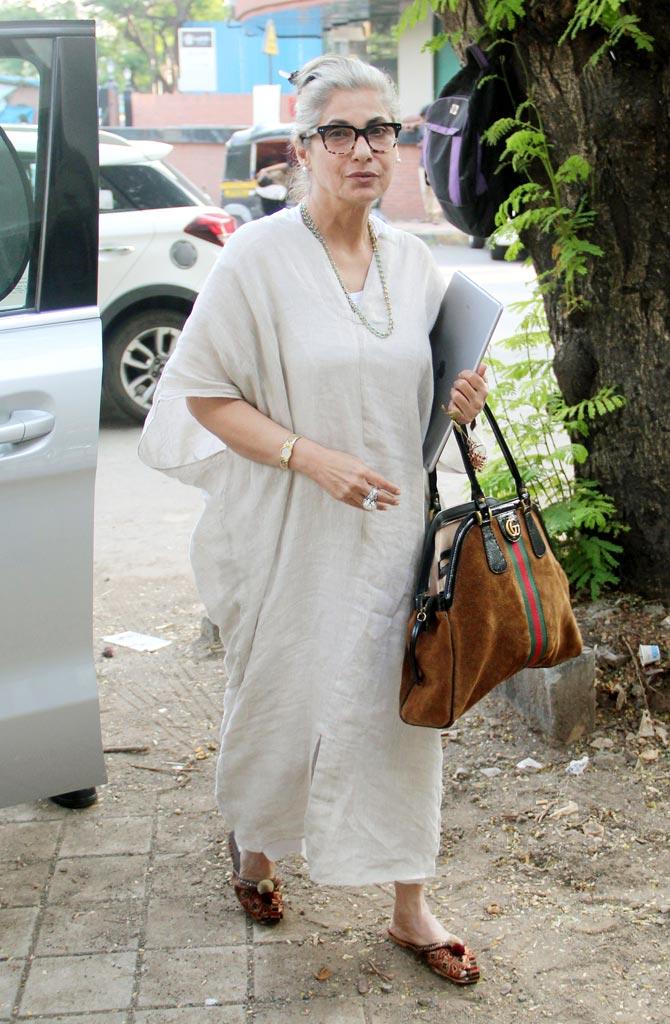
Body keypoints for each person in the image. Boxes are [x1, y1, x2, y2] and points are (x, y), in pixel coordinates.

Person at [138, 54, 488, 987]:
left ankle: (409, 904)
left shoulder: (414, 263)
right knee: (283, 691)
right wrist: (311, 458)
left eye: (381, 131)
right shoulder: (257, 259)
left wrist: (461, 398)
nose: (364, 150)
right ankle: (257, 847)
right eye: (341, 132)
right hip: (289, 528)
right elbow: (202, 394)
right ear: (303, 149)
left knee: (400, 708)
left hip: (391, 530)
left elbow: (429, 393)